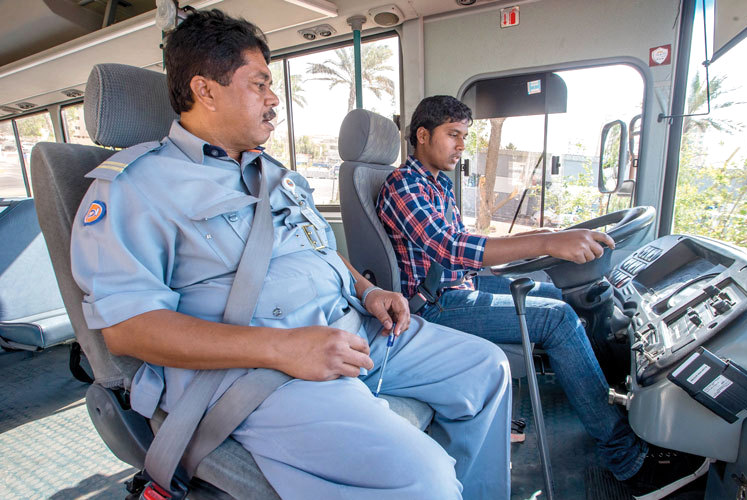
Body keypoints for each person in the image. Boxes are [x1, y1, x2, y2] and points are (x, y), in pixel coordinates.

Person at [70, 12, 511, 500]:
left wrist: (368, 291)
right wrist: (283, 348)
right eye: (259, 84)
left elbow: (318, 248)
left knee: (488, 369)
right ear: (206, 90)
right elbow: (128, 329)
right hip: (258, 369)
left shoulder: (276, 174)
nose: (274, 98)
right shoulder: (135, 187)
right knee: (423, 478)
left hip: (354, 329)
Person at [377, 95, 710, 498]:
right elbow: (450, 248)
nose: (461, 145)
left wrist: (549, 239)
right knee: (558, 319)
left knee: (563, 296)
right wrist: (550, 242)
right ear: (423, 135)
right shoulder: (403, 186)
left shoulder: (437, 185)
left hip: (462, 284)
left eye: (464, 136)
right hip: (436, 305)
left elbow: (469, 243)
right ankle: (628, 459)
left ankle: (611, 405)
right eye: (453, 135)